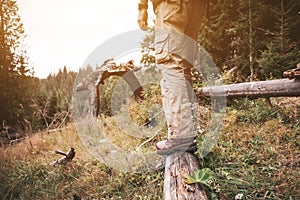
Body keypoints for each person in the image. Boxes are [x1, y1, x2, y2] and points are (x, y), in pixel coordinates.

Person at [137, 0, 205, 155]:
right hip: (196, 6)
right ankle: (190, 131)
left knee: (169, 61)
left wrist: (142, 7)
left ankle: (181, 135)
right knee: (183, 66)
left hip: (172, 5)